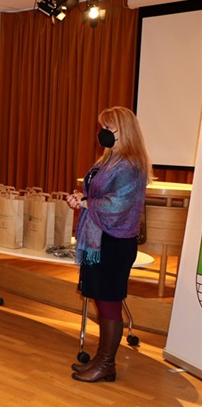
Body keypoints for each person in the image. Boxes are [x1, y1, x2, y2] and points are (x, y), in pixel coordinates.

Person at [66, 106, 152, 383]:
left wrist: (86, 203)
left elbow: (117, 205)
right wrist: (80, 198)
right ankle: (102, 361)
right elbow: (94, 194)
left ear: (123, 131)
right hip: (99, 240)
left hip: (114, 243)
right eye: (101, 127)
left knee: (109, 302)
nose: (102, 132)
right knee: (102, 300)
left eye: (108, 128)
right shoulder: (108, 159)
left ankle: (106, 364)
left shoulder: (131, 165)